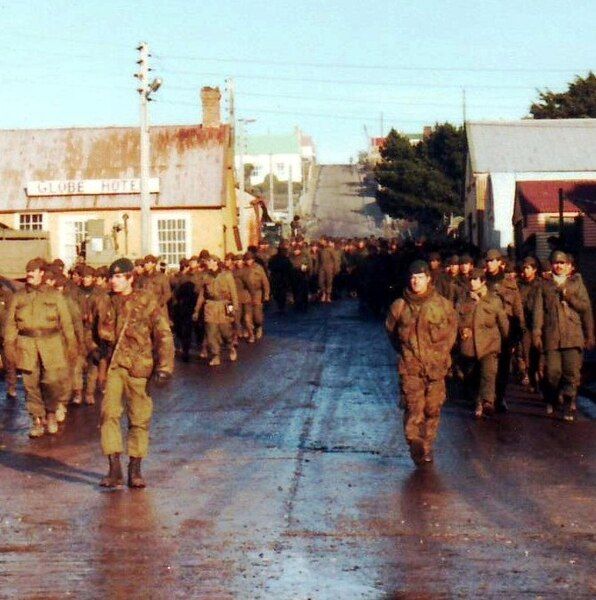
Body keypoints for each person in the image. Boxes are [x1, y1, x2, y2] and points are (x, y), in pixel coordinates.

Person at [100, 258, 174, 488]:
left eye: (119, 277)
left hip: (140, 367)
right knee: (108, 414)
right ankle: (114, 468)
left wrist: (164, 367)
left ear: (131, 278)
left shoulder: (147, 301)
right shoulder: (106, 302)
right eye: (112, 277)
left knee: (139, 419)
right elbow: (93, 331)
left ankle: (135, 468)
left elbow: (163, 334)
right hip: (114, 365)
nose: (114, 281)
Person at [385, 260, 457, 466]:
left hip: (436, 368)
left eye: (420, 277)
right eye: (412, 278)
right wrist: (407, 354)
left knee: (432, 409)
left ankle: (427, 446)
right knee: (414, 408)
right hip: (411, 368)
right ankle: (414, 443)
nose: (415, 281)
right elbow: (391, 333)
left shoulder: (442, 306)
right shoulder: (399, 307)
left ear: (428, 279)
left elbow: (451, 334)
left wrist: (440, 357)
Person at [3, 258, 77, 437]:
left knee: (52, 382)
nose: (29, 274)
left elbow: (66, 323)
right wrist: (9, 347)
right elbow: (11, 324)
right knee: (31, 384)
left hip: (51, 344)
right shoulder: (18, 297)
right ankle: (37, 419)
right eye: (28, 271)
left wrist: (71, 346)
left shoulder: (54, 295)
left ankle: (51, 413)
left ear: (41, 273)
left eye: (33, 271)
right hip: (26, 345)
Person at [533, 250, 594, 420]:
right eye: (555, 263)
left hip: (573, 336)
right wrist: (537, 334)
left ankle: (568, 403)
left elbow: (585, 309)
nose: (558, 266)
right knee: (552, 372)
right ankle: (552, 397)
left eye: (561, 263)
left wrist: (590, 336)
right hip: (552, 336)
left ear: (568, 265)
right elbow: (538, 312)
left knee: (571, 373)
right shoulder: (544, 285)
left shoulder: (577, 284)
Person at [457, 268, 509, 417]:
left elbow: (502, 322)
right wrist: (462, 330)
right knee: (472, 375)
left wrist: (507, 341)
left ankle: (487, 402)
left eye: (476, 280)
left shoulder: (493, 299)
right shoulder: (464, 299)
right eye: (471, 279)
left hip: (489, 343)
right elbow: (456, 319)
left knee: (488, 373)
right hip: (470, 345)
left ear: (483, 281)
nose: (472, 283)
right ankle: (478, 400)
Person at [192, 255, 239, 366]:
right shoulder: (206, 276)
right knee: (210, 334)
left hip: (224, 305)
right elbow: (202, 295)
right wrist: (196, 310)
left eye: (209, 261)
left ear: (215, 262)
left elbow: (233, 294)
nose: (207, 262)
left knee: (226, 332)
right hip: (210, 307)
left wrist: (233, 309)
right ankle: (215, 356)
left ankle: (230, 346)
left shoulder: (226, 275)